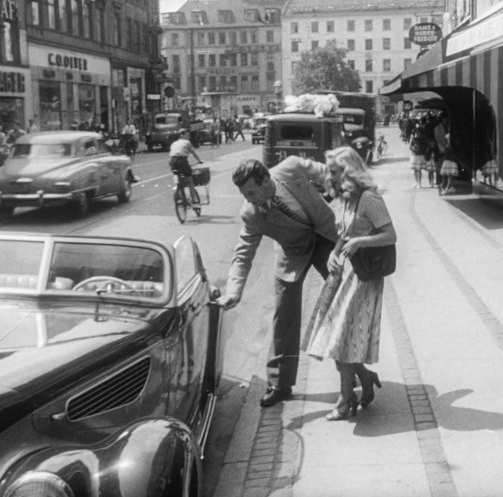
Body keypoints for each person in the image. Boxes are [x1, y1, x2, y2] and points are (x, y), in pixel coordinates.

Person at [216, 156, 338, 407]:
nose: (248, 198)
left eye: (250, 192)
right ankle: (280, 384)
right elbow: (243, 253)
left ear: (265, 181)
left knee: (345, 298)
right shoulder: (251, 213)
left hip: (325, 236)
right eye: (243, 193)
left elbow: (329, 173)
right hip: (292, 251)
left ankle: (353, 366)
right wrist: (233, 291)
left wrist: (347, 195)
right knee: (284, 313)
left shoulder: (291, 168)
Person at [303, 146, 397, 421]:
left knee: (343, 338)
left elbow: (390, 235)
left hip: (365, 278)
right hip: (344, 275)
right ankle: (364, 379)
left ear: (349, 171)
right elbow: (343, 236)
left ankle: (346, 400)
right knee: (340, 338)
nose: (329, 177)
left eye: (334, 172)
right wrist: (334, 254)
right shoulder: (345, 198)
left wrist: (360, 242)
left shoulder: (370, 199)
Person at [169, 128, 203, 210]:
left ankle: (179, 193)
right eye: (187, 135)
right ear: (182, 135)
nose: (188, 136)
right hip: (182, 162)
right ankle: (194, 201)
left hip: (172, 162)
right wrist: (199, 160)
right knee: (190, 180)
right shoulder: (187, 142)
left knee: (177, 178)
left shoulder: (174, 143)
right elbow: (194, 153)